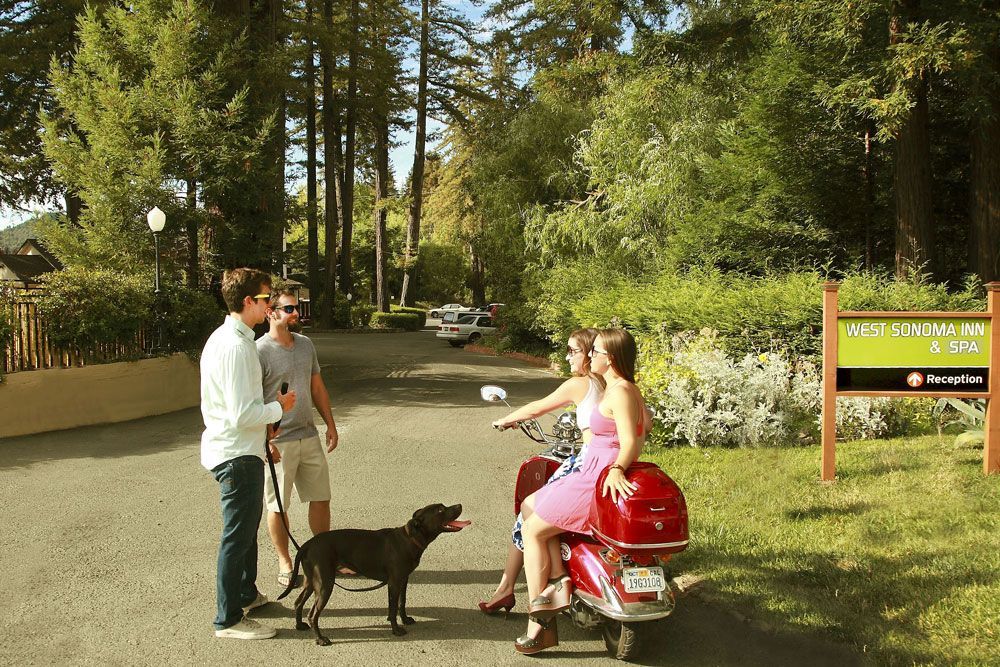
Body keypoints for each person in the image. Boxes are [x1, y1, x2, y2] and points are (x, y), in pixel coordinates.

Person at [515, 328, 647, 654]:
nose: (590, 357)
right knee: (530, 507)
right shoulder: (621, 389)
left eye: (596, 352)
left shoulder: (621, 392)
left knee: (532, 531)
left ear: (610, 358)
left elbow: (632, 441)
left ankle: (541, 625)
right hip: (591, 472)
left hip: (595, 480)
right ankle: (560, 578)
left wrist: (617, 468)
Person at [201, 268, 296, 641]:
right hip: (236, 454)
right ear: (247, 302)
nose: (270, 304)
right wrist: (280, 408)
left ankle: (245, 595)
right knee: (237, 536)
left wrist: (263, 438)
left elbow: (234, 407)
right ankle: (228, 619)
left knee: (245, 531)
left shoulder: (226, 338)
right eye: (265, 299)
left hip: (240, 450)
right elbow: (242, 414)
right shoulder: (238, 346)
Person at [480, 328, 604, 615]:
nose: (568, 356)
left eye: (573, 351)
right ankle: (506, 587)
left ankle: (553, 579)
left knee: (529, 513)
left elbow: (539, 407)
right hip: (604, 462)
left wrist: (506, 419)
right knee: (529, 511)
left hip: (587, 465)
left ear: (589, 354)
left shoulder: (580, 384)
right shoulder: (612, 384)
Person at [257, 290, 339, 587]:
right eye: (289, 308)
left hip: (309, 434)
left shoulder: (305, 345)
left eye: (297, 307)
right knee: (278, 505)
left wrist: (329, 423)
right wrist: (265, 440)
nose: (295, 313)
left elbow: (317, 387)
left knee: (320, 498)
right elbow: (253, 400)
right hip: (278, 440)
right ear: (270, 312)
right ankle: (285, 562)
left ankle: (326, 556)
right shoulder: (259, 351)